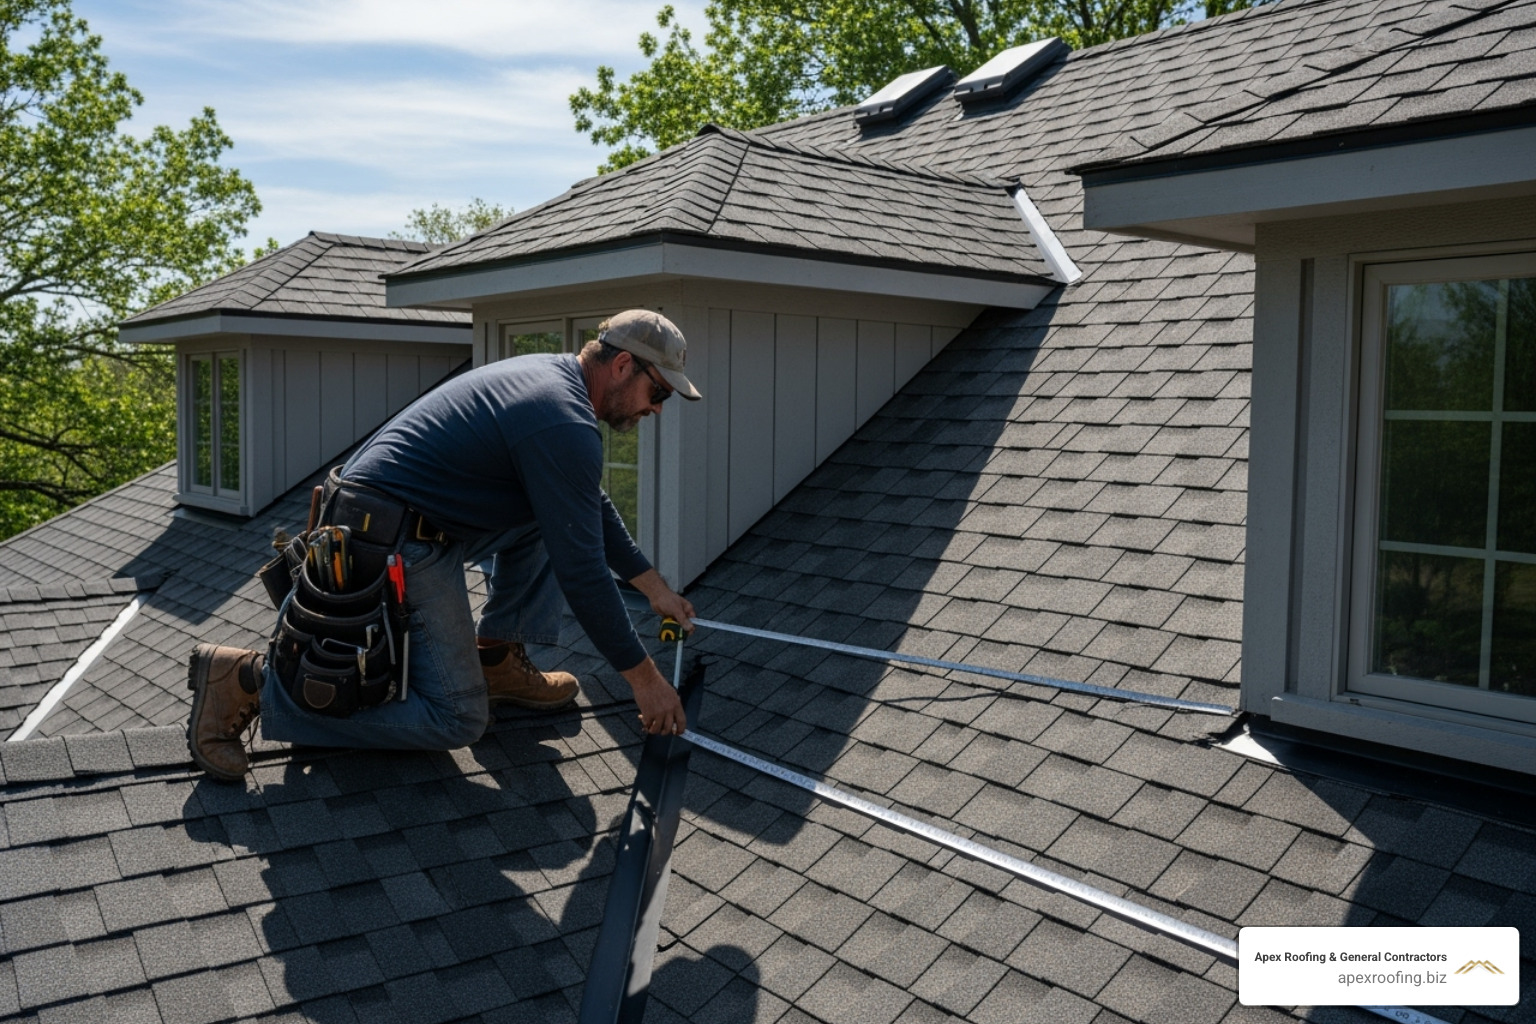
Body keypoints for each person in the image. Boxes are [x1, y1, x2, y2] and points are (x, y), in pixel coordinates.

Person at [185, 310, 702, 781]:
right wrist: (646, 680)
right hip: (385, 538)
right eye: (658, 393)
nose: (657, 409)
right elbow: (584, 572)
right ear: (623, 366)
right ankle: (254, 682)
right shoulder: (562, 418)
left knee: (555, 518)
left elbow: (583, 505)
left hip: (403, 519)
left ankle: (494, 659)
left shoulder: (554, 380)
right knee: (457, 718)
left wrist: (654, 588)